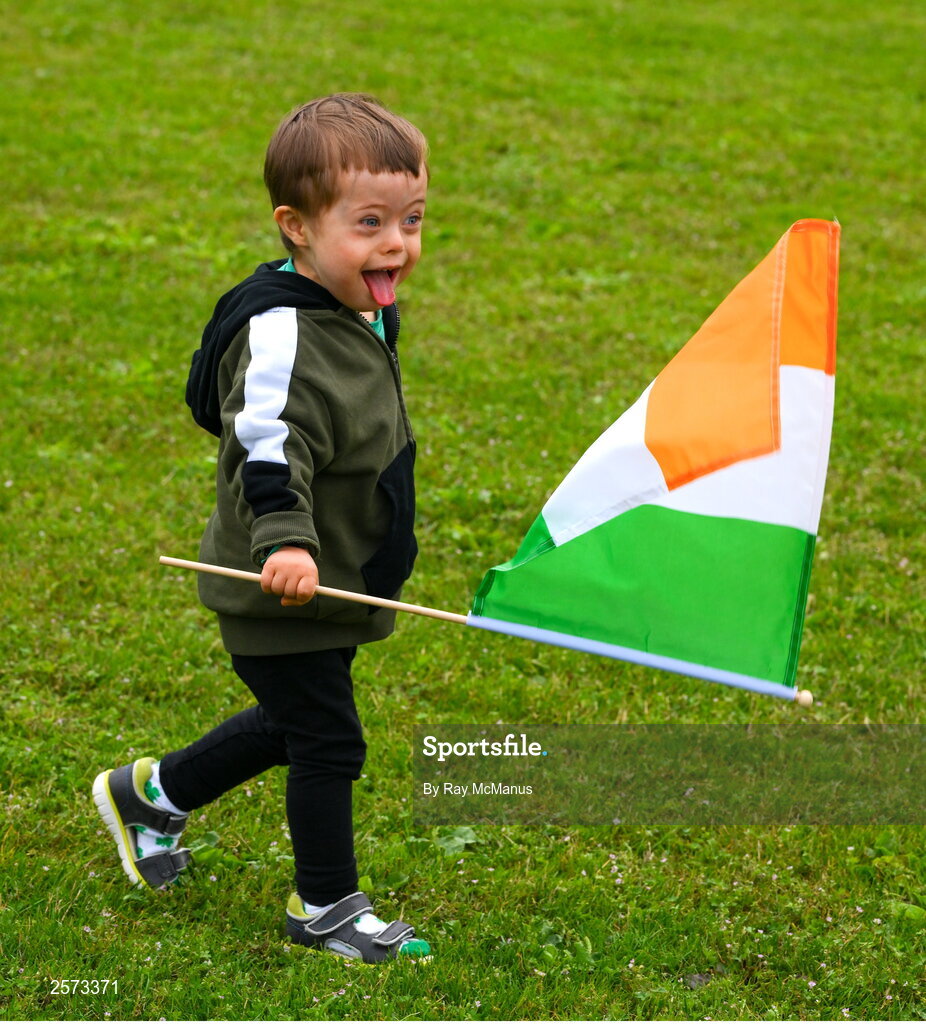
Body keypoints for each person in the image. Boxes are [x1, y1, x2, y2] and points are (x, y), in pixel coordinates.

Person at [92, 93, 431, 963]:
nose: (396, 243)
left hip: (334, 578)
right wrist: (286, 540)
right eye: (369, 223)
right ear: (297, 228)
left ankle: (150, 795)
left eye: (412, 219)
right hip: (279, 578)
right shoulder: (281, 334)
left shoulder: (360, 302)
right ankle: (325, 904)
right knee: (327, 737)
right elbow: (266, 445)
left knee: (293, 721)